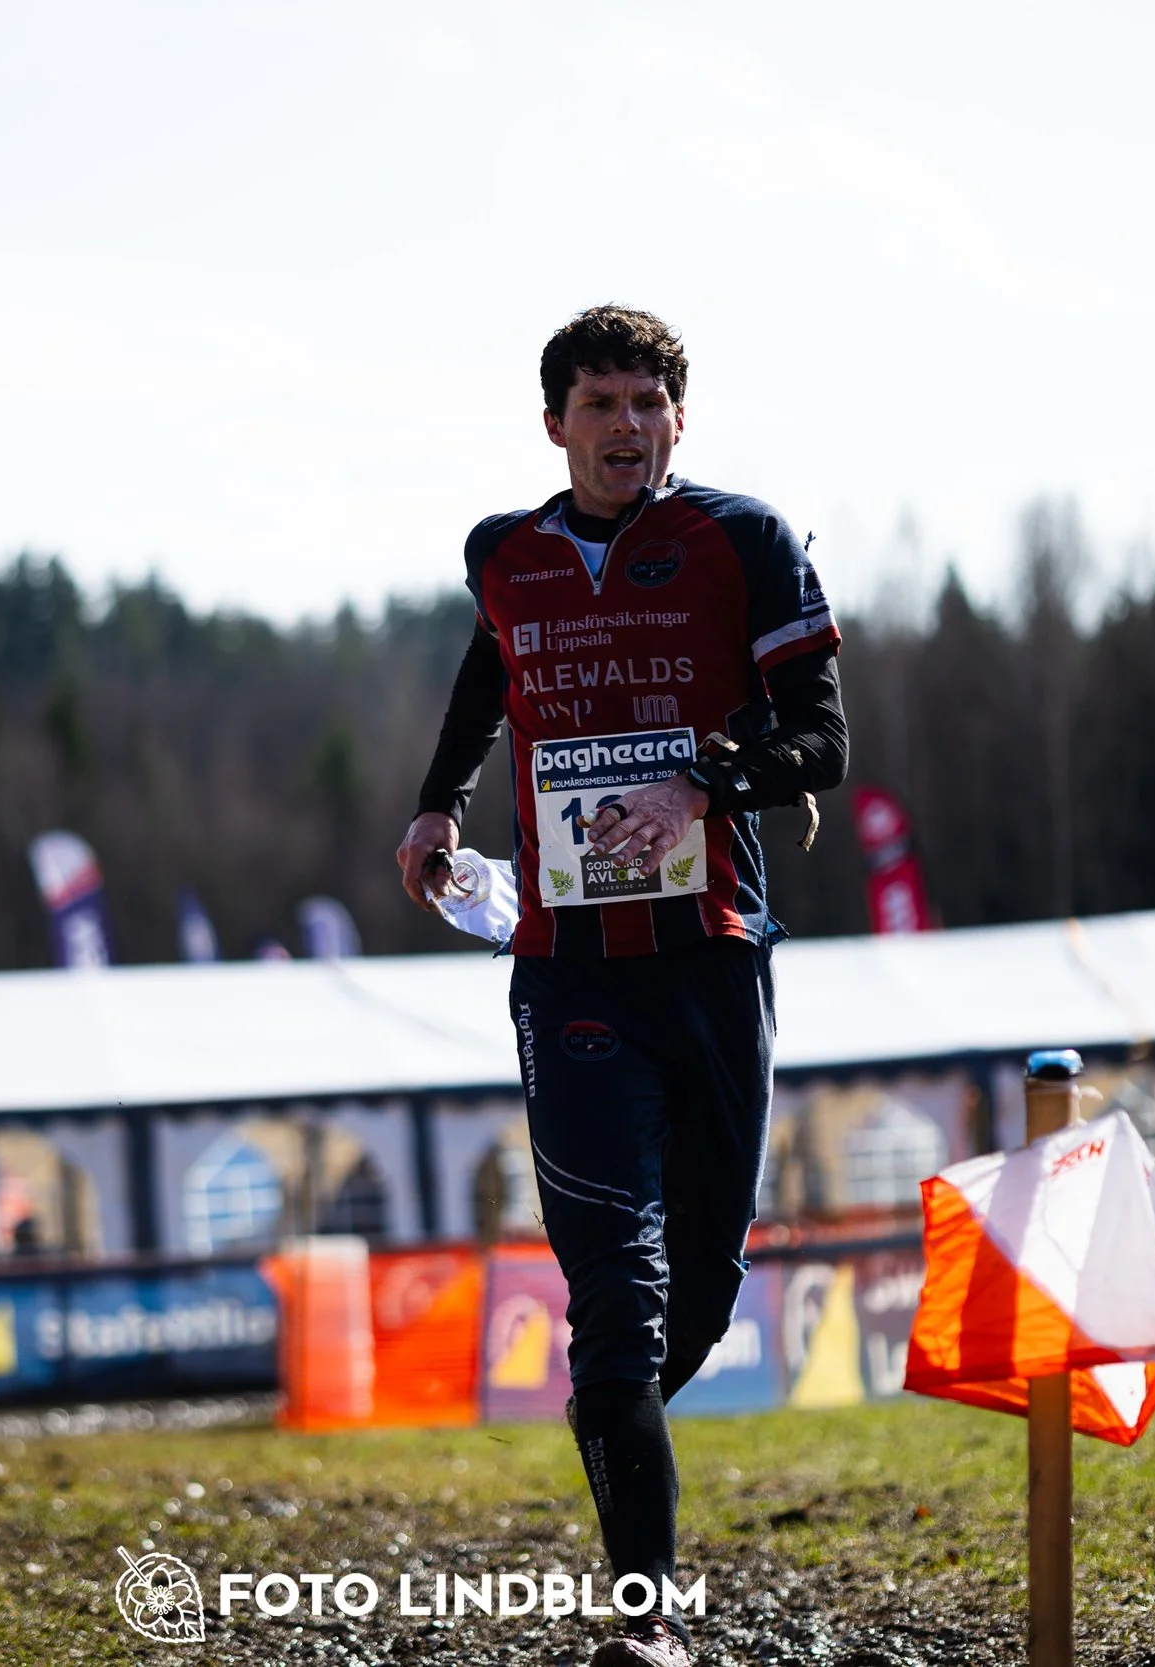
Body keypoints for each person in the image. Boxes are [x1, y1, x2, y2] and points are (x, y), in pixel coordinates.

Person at [394, 306, 848, 1667]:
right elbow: (492, 666)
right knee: (617, 1305)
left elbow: (822, 746)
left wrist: (698, 775)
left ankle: (613, 1422)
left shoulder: (744, 542)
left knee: (698, 1296)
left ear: (679, 420)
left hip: (712, 963)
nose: (628, 425)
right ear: (556, 425)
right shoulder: (506, 556)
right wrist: (436, 806)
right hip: (569, 975)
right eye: (602, 403)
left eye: (651, 401)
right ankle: (648, 1623)